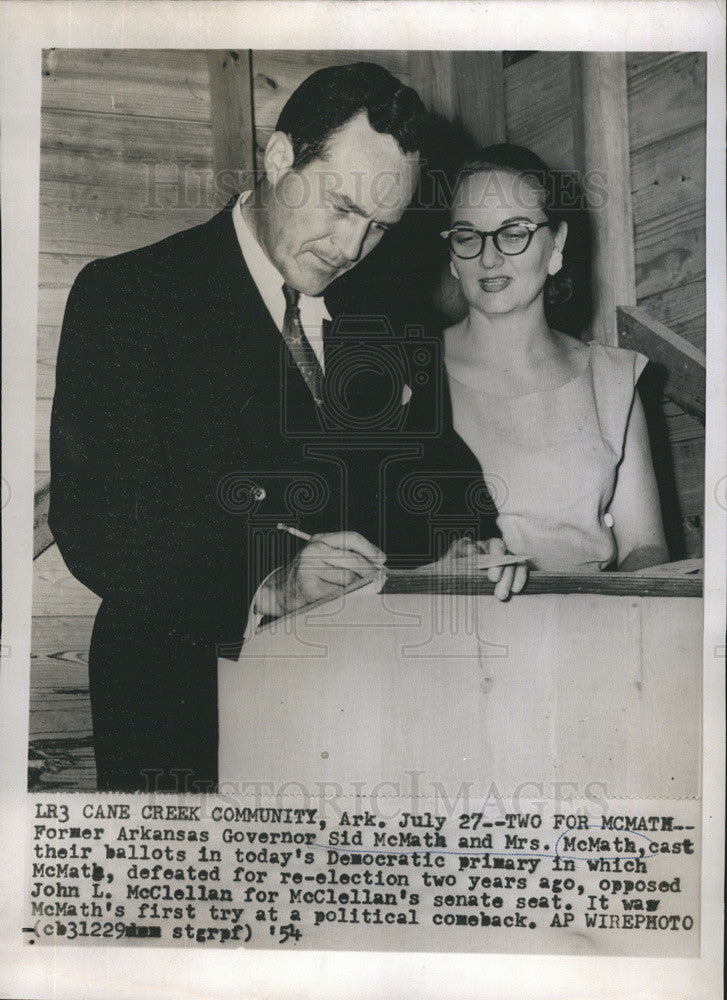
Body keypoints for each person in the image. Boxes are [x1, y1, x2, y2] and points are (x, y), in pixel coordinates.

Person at [49, 63, 521, 793]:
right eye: (338, 206)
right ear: (278, 159)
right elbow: (97, 525)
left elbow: (437, 473)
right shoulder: (131, 295)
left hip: (348, 718)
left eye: (378, 227)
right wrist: (266, 585)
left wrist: (463, 544)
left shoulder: (385, 316)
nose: (350, 246)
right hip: (180, 709)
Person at [441, 143, 669, 573]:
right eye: (468, 236)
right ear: (453, 255)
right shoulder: (411, 370)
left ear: (556, 244)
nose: (489, 258)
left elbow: (646, 549)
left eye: (513, 233)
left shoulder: (613, 380)